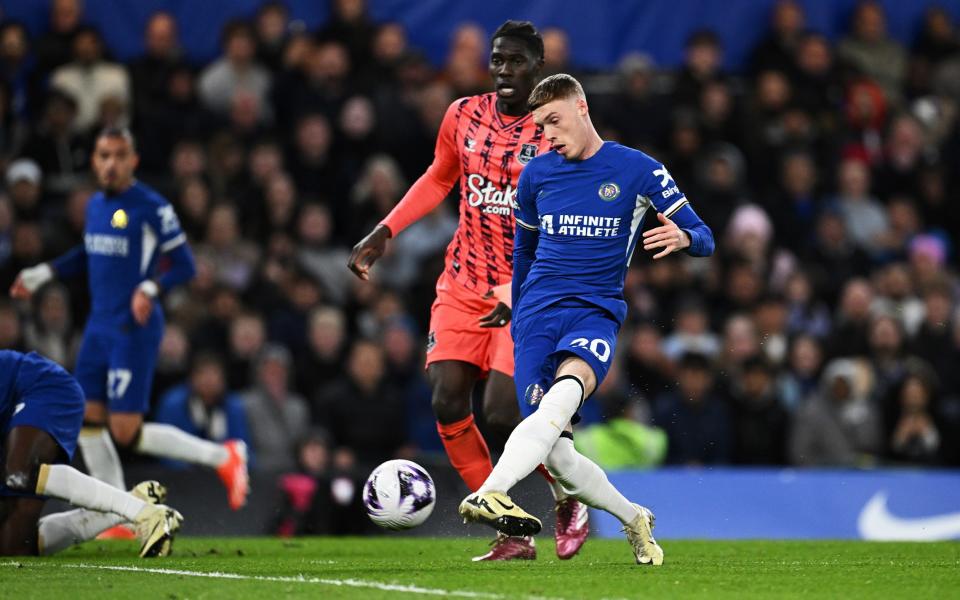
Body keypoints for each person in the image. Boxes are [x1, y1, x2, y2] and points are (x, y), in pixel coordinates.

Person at [348, 21, 587, 562]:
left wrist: (523, 284)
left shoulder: (556, 131)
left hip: (525, 289)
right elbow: (439, 177)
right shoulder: (463, 114)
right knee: (447, 397)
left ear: (539, 68)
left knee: (504, 412)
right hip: (462, 281)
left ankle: (569, 495)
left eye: (516, 61)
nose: (504, 70)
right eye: (497, 60)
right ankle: (511, 533)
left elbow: (569, 218)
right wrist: (386, 230)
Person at [459, 73, 715, 566]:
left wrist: (684, 240)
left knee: (563, 397)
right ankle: (634, 516)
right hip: (535, 316)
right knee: (557, 455)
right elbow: (524, 250)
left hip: (594, 312)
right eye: (540, 127)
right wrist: (518, 306)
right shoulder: (536, 175)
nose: (548, 135)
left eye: (554, 121)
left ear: (581, 107)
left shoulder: (638, 170)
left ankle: (491, 491)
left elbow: (704, 234)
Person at [10, 127, 249, 512]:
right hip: (98, 326)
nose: (111, 164)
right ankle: (118, 512)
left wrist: (151, 289)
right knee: (87, 417)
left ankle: (223, 457)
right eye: (104, 155)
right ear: (94, 160)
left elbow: (185, 265)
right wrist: (45, 273)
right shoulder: (94, 205)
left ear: (133, 160)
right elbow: (89, 252)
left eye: (120, 155)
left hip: (132, 328)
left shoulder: (152, 206)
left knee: (124, 431)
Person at [0, 349, 181, 557]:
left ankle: (147, 515)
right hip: (11, 413)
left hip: (43, 386)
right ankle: (130, 505)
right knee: (12, 549)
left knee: (18, 473)